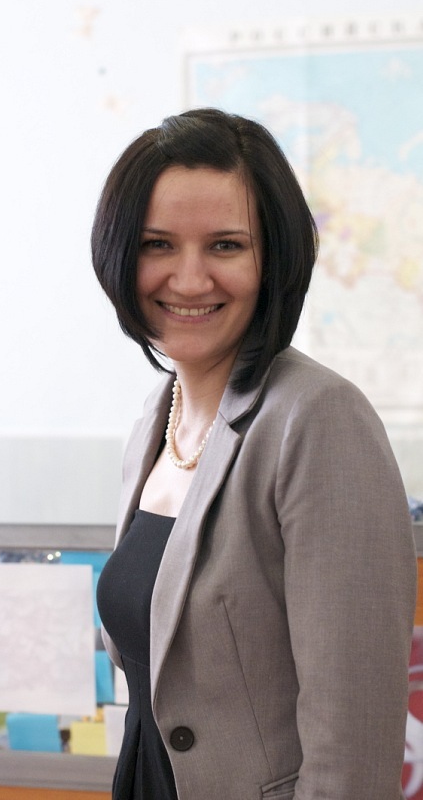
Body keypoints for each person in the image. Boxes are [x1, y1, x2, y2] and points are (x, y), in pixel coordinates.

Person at [93, 108, 417, 800]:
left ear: (273, 260)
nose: (188, 279)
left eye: (225, 246)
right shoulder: (155, 418)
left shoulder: (319, 420)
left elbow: (352, 754)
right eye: (157, 244)